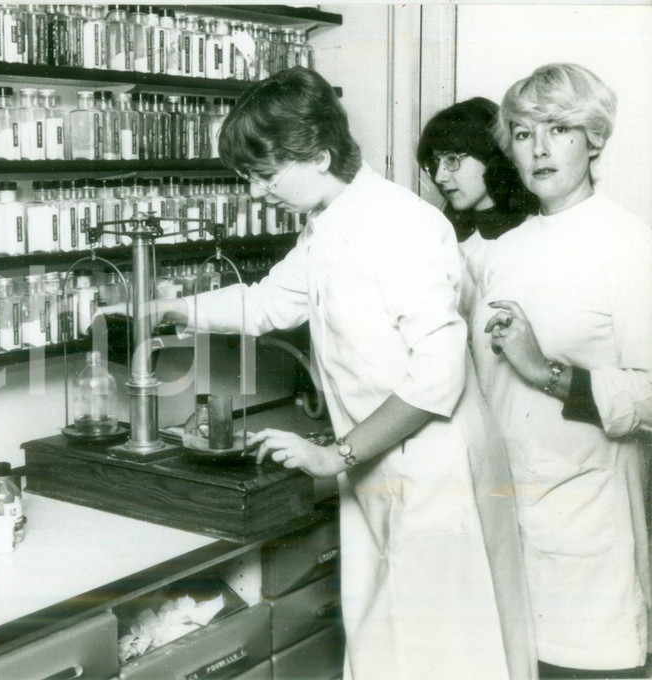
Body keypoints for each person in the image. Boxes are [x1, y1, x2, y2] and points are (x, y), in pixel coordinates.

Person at [142, 67, 536, 679]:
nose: (254, 193)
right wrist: (166, 309)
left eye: (265, 175)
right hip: (383, 458)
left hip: (435, 466)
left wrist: (340, 454)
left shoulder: (400, 224)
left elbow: (438, 372)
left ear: (320, 155)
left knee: (444, 653)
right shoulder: (328, 223)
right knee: (387, 642)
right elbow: (270, 303)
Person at [473, 63, 652, 678]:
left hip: (589, 526)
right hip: (503, 510)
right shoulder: (502, 250)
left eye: (559, 129)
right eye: (524, 133)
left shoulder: (629, 245)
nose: (540, 148)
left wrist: (543, 371)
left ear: (594, 139)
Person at [417, 97, 538, 320]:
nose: (440, 176)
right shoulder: (446, 236)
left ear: (490, 155)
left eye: (452, 159)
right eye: (435, 163)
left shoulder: (531, 235)